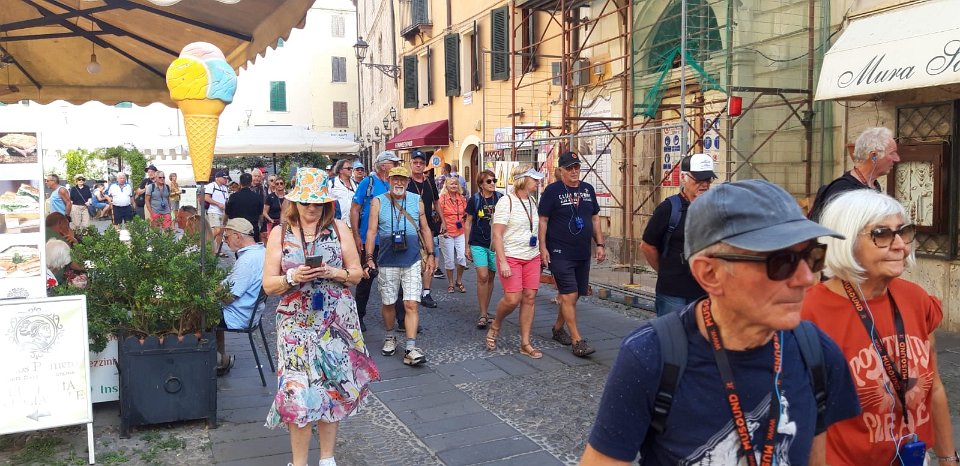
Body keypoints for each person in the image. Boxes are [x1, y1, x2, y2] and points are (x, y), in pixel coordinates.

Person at [581, 179, 862, 465]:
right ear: (710, 274)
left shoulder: (816, 352)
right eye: (782, 261)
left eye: (812, 256)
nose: (806, 278)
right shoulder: (650, 356)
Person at [801, 189, 957, 465]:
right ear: (847, 240)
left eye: (903, 232)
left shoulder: (916, 299)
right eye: (881, 234)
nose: (900, 245)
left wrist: (948, 458)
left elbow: (934, 388)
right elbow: (802, 411)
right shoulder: (808, 312)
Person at [263, 167, 378, 466]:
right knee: (297, 393)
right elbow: (268, 285)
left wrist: (331, 272)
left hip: (335, 322)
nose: (311, 207)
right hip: (294, 324)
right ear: (294, 202)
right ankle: (299, 463)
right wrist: (292, 277)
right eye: (305, 202)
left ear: (326, 203)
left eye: (317, 202)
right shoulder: (280, 233)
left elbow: (356, 274)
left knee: (333, 389)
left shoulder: (339, 228)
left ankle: (328, 459)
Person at [364, 166, 436, 366]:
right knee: (388, 303)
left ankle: (411, 347)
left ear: (408, 181)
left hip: (412, 259)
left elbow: (425, 228)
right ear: (389, 180)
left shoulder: (416, 200)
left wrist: (431, 254)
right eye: (395, 179)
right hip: (387, 260)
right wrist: (369, 257)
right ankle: (390, 336)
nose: (399, 183)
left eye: (403, 179)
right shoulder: (378, 201)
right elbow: (371, 232)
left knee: (411, 303)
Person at [538, 151, 605, 357]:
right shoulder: (553, 191)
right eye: (569, 168)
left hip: (582, 251)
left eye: (577, 167)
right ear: (561, 170)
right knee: (569, 293)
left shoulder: (587, 189)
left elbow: (594, 218)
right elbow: (543, 220)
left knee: (575, 295)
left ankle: (558, 329)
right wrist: (543, 247)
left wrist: (600, 244)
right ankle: (577, 341)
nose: (574, 171)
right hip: (559, 251)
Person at [640, 153, 716, 316]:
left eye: (708, 180)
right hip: (673, 293)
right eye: (698, 179)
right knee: (673, 331)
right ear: (683, 178)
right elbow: (647, 246)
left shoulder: (713, 209)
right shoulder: (668, 209)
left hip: (704, 291)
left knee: (701, 332)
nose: (704, 184)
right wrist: (665, 272)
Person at [486, 166, 545, 359]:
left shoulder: (533, 201)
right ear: (523, 180)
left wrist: (542, 250)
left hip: (531, 256)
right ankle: (496, 324)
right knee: (513, 298)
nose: (537, 182)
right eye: (534, 179)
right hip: (511, 256)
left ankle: (525, 343)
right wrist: (502, 262)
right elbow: (497, 234)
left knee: (529, 298)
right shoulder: (506, 202)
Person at [351, 151, 403, 332]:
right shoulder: (368, 183)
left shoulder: (395, 183)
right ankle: (358, 316)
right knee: (366, 279)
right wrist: (357, 236)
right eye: (393, 163)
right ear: (383, 165)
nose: (397, 166)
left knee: (397, 278)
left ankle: (402, 319)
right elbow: (355, 209)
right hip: (371, 239)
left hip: (392, 239)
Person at [808, 127, 900, 222]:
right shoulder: (842, 190)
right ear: (873, 156)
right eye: (892, 153)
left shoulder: (873, 185)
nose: (897, 159)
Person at [215, 218, 265, 375]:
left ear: (237, 236)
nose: (225, 241)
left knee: (198, 315)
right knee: (207, 311)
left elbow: (229, 297)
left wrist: (212, 290)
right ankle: (220, 360)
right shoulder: (261, 252)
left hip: (238, 316)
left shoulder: (247, 261)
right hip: (250, 312)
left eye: (226, 237)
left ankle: (217, 361)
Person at [464, 169, 503, 329]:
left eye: (494, 180)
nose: (492, 183)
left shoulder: (500, 198)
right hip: (478, 242)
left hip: (494, 244)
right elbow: (468, 222)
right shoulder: (475, 199)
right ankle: (482, 313)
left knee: (491, 277)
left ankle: (486, 311)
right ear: (481, 184)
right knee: (483, 276)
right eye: (489, 181)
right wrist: (466, 246)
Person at [406, 151, 441, 308]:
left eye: (421, 163)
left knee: (429, 256)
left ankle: (426, 292)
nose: (418, 165)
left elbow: (436, 201)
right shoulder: (406, 182)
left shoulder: (429, 182)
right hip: (410, 227)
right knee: (410, 257)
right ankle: (409, 289)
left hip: (428, 226)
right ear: (411, 164)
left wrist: (443, 220)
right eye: (415, 162)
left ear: (425, 165)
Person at [438, 176, 468, 293]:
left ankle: (458, 281)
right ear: (447, 185)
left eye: (455, 184)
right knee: (449, 260)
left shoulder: (462, 198)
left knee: (462, 258)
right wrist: (442, 223)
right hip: (447, 232)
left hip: (460, 231)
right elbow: (438, 212)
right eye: (451, 184)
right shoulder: (443, 198)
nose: (454, 186)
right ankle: (450, 283)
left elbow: (466, 213)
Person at [225, 173, 263, 241]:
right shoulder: (257, 197)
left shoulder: (233, 197)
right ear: (251, 183)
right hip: (252, 229)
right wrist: (261, 226)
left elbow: (227, 213)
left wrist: (224, 223)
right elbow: (261, 216)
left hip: (237, 229)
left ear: (240, 183)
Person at [205, 171, 230, 256]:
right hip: (213, 211)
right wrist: (218, 204)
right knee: (217, 230)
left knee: (221, 232)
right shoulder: (211, 186)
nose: (226, 180)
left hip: (222, 212)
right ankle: (205, 245)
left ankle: (216, 251)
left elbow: (226, 200)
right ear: (217, 178)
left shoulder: (225, 188)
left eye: (226, 178)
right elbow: (206, 197)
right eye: (224, 178)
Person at [327, 159, 356, 228]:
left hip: (352, 224)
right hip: (337, 224)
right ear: (340, 170)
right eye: (348, 168)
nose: (351, 170)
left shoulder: (356, 185)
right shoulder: (331, 184)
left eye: (351, 168)